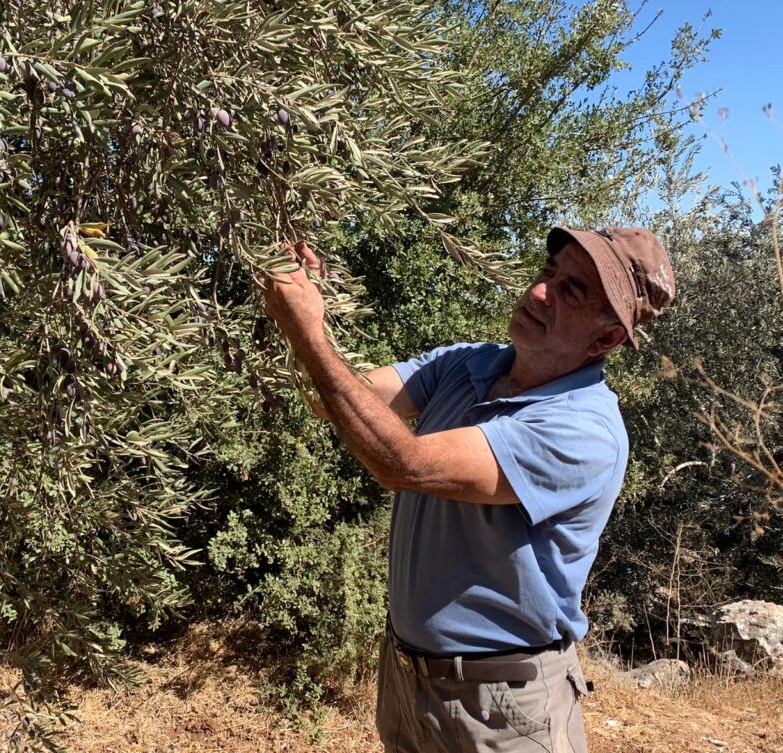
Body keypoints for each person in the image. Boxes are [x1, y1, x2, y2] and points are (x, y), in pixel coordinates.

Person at [262, 226, 675, 753]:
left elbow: (403, 463)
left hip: (503, 708)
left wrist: (309, 333)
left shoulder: (582, 431)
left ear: (607, 339)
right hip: (408, 680)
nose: (539, 292)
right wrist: (314, 308)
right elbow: (337, 399)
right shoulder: (469, 363)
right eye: (548, 273)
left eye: (572, 290)